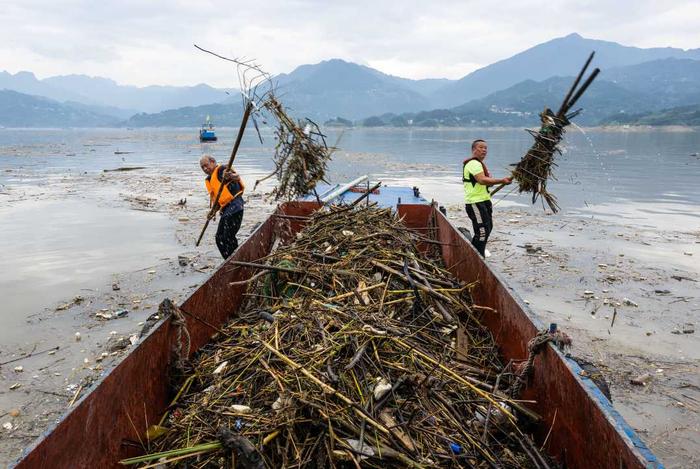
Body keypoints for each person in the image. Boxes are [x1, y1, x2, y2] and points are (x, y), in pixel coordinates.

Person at [463, 139, 512, 257]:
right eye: (481, 147)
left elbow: (487, 182)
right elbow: (482, 180)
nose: (484, 150)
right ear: (474, 149)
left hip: (484, 201)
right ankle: (476, 257)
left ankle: (477, 254)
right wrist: (501, 180)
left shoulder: (480, 165)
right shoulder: (473, 164)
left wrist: (494, 181)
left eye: (485, 148)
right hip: (475, 203)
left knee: (488, 227)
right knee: (482, 231)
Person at [200, 154, 245, 259]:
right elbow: (218, 201)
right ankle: (230, 260)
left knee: (227, 237)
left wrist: (230, 176)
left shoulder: (222, 169)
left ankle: (235, 260)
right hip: (227, 209)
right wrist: (212, 212)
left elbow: (237, 177)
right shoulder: (210, 179)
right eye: (202, 167)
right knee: (220, 237)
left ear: (213, 162)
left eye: (206, 165)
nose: (205, 169)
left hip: (235, 206)